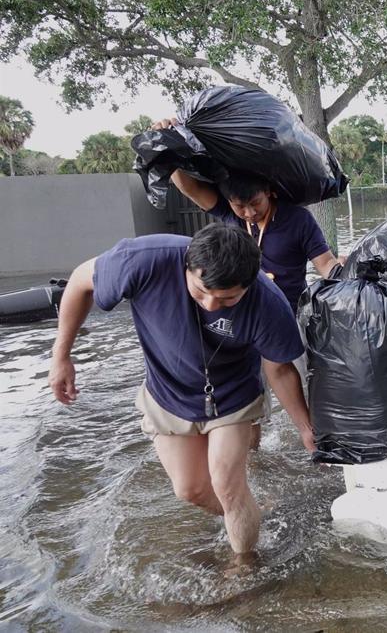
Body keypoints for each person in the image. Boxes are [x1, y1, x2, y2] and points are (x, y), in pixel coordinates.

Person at [48, 223, 314, 560]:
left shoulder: (268, 303)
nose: (213, 305)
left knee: (227, 484)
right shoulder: (142, 261)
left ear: (251, 283)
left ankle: (245, 565)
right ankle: (253, 511)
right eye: (202, 291)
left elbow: (278, 369)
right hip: (167, 392)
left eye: (229, 298)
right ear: (187, 266)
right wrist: (61, 356)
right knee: (191, 490)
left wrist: (305, 427)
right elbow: (80, 281)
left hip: (233, 393)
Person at [151, 118, 341, 313]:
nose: (249, 213)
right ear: (229, 201)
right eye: (240, 206)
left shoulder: (298, 219)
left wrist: (345, 275)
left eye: (255, 203)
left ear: (268, 191)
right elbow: (191, 189)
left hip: (288, 312)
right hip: (244, 314)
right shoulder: (227, 213)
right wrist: (168, 145)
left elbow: (325, 262)